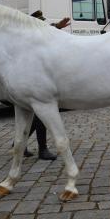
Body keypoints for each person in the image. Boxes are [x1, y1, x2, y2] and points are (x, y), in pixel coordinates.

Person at [21, 10, 71, 160]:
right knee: (40, 115)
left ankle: (19, 145)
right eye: (40, 23)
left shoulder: (31, 36)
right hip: (32, 82)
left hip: (33, 80)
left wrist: (57, 26)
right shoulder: (27, 38)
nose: (43, 26)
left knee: (35, 116)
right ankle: (42, 149)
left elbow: (47, 30)